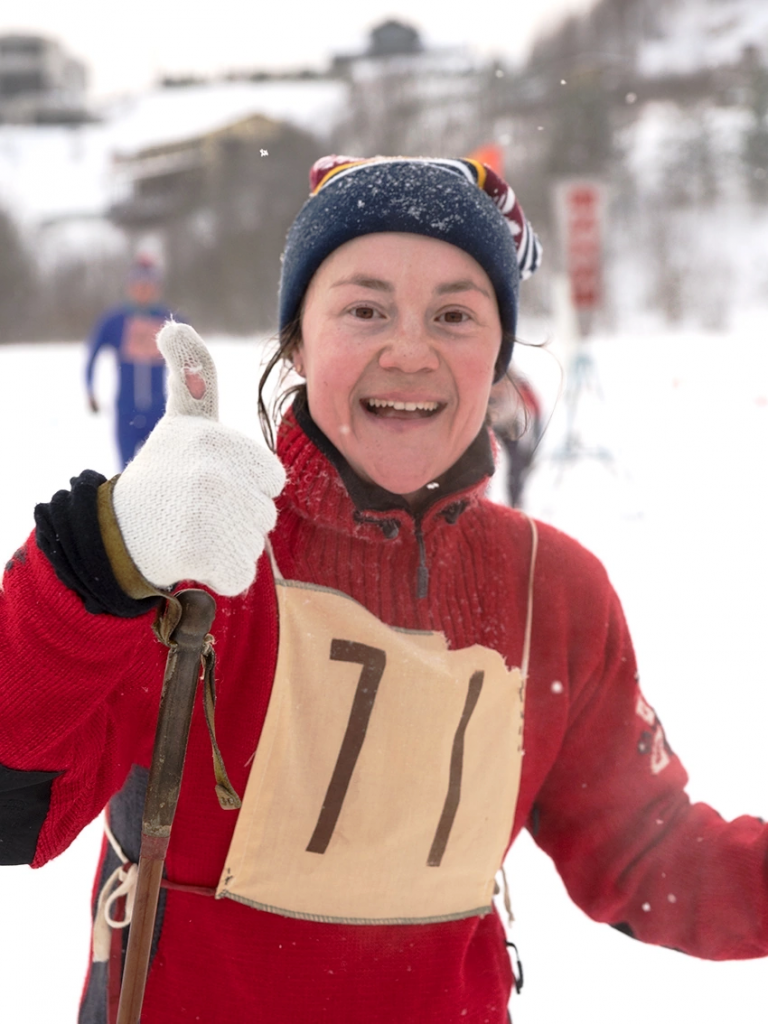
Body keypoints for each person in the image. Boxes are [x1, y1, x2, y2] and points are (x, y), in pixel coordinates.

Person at [1, 154, 767, 1024]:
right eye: (366, 310)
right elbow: (10, 808)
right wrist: (95, 563)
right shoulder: (196, 562)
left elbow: (654, 863)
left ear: (501, 355)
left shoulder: (552, 592)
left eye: (454, 315)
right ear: (296, 340)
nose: (411, 351)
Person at [85, 254, 176, 468]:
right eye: (138, 283)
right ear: (130, 286)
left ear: (157, 287)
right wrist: (90, 390)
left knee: (160, 475)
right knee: (126, 477)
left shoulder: (169, 320)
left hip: (159, 413)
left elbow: (193, 361)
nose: (143, 289)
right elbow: (92, 355)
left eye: (149, 283)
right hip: (126, 412)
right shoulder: (115, 321)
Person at [488, 370, 543, 508]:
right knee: (482, 465)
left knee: (517, 466)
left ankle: (516, 503)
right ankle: (478, 502)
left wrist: (532, 449)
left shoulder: (517, 383)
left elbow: (536, 409)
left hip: (508, 423)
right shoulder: (479, 381)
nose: (497, 391)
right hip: (486, 423)